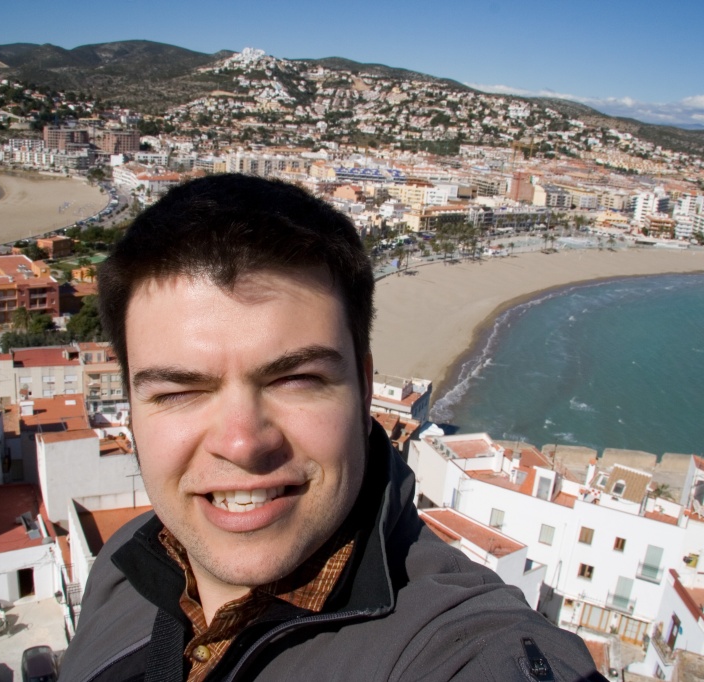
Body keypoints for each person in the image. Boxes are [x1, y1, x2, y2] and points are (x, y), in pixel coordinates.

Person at [59, 174, 603, 682]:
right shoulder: (122, 566)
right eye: (178, 392)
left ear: (365, 388)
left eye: (296, 379)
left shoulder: (467, 651)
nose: (242, 443)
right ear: (130, 409)